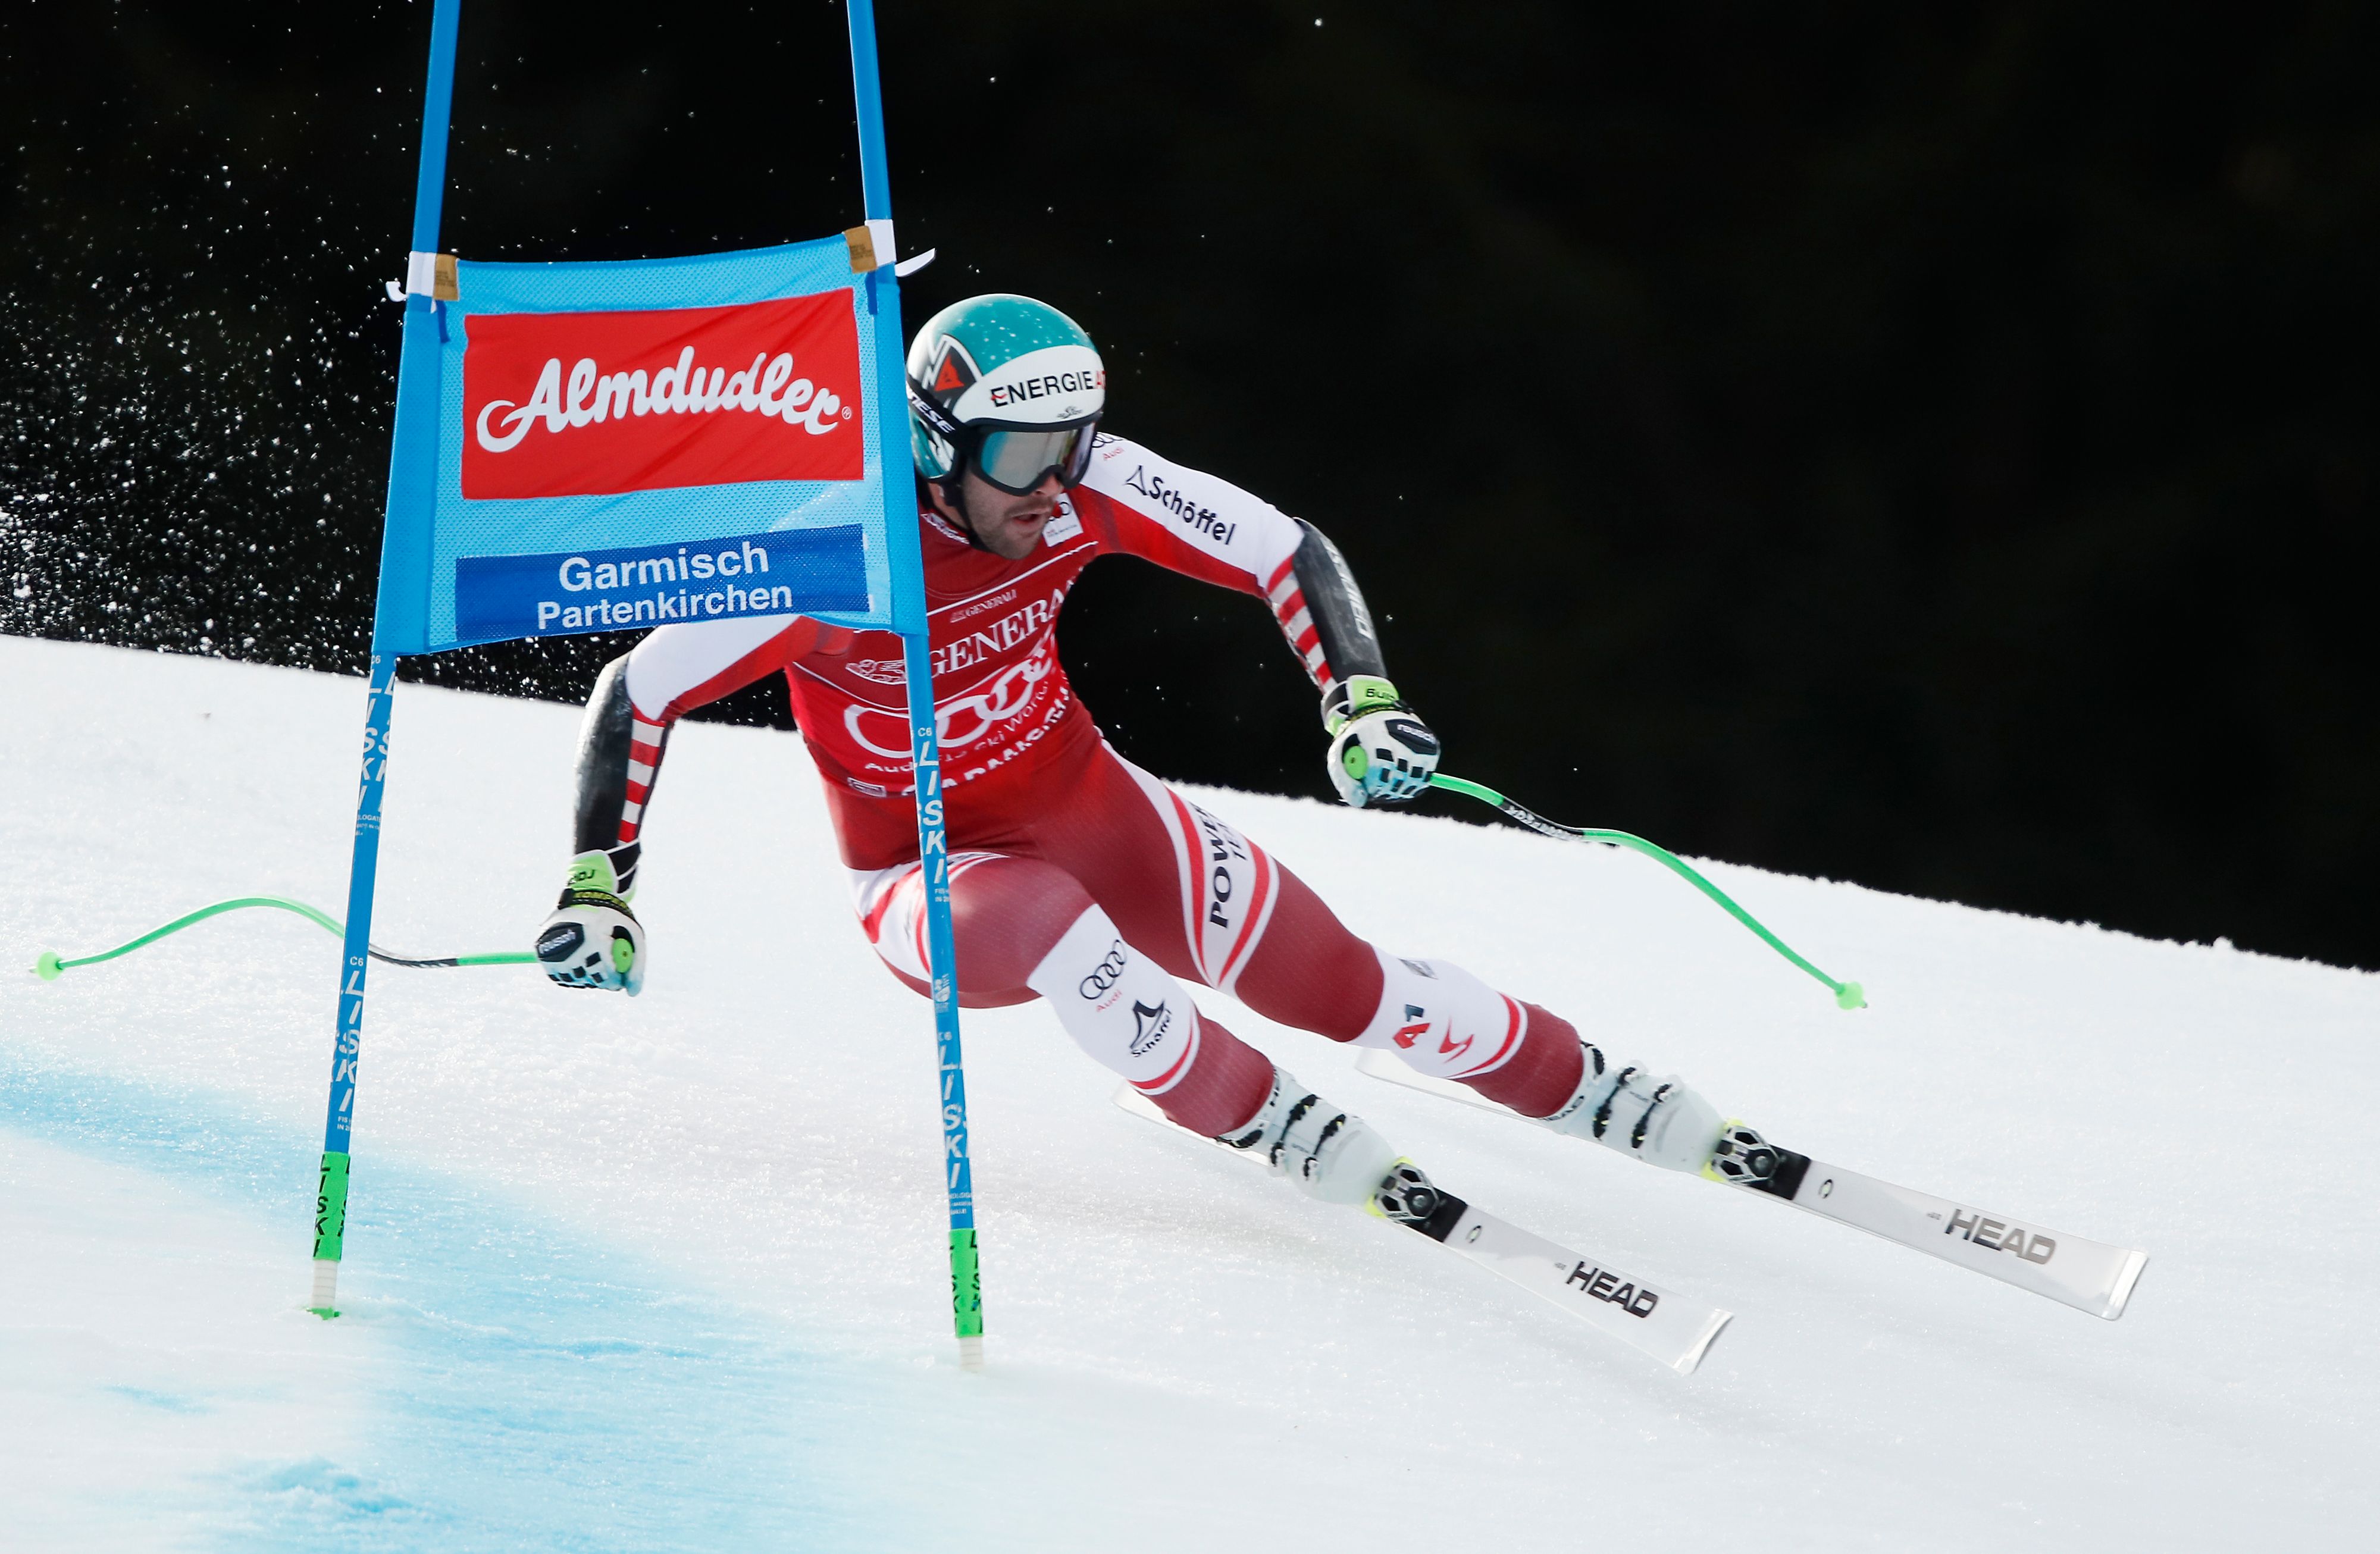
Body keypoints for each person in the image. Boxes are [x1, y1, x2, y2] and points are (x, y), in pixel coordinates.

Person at [535, 293, 1731, 1210]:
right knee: (1045, 918)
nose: (1052, 486)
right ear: (932, 445)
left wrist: (1358, 698)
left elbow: (1284, 548)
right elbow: (635, 692)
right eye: (1017, 457)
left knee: (1338, 983)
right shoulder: (830, 555)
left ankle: (1569, 1078)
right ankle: (1241, 1106)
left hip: (1099, 813)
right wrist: (600, 885)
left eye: (1073, 444)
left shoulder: (1088, 485)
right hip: (930, 879)